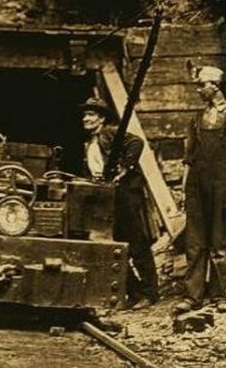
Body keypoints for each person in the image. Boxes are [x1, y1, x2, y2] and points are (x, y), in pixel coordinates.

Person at [174, 65, 226, 314]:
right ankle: (192, 295)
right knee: (194, 242)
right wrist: (185, 191)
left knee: (218, 242)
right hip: (197, 185)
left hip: (222, 184)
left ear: (215, 86)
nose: (198, 89)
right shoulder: (196, 119)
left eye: (201, 84)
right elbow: (188, 159)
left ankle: (218, 294)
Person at [80, 97, 159, 308]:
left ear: (101, 118)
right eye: (85, 115)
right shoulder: (90, 142)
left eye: (90, 115)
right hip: (106, 198)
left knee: (137, 243)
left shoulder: (110, 133)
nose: (85, 119)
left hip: (123, 194)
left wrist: (124, 168)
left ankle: (150, 292)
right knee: (115, 245)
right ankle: (133, 292)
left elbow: (137, 143)